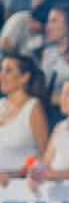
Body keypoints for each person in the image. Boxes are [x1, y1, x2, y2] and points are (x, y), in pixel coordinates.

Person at [0, 54, 50, 182]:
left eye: (8, 71)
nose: (1, 76)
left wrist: (25, 168)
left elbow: (42, 151)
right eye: (2, 70)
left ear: (24, 77)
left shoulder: (33, 108)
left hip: (20, 183)